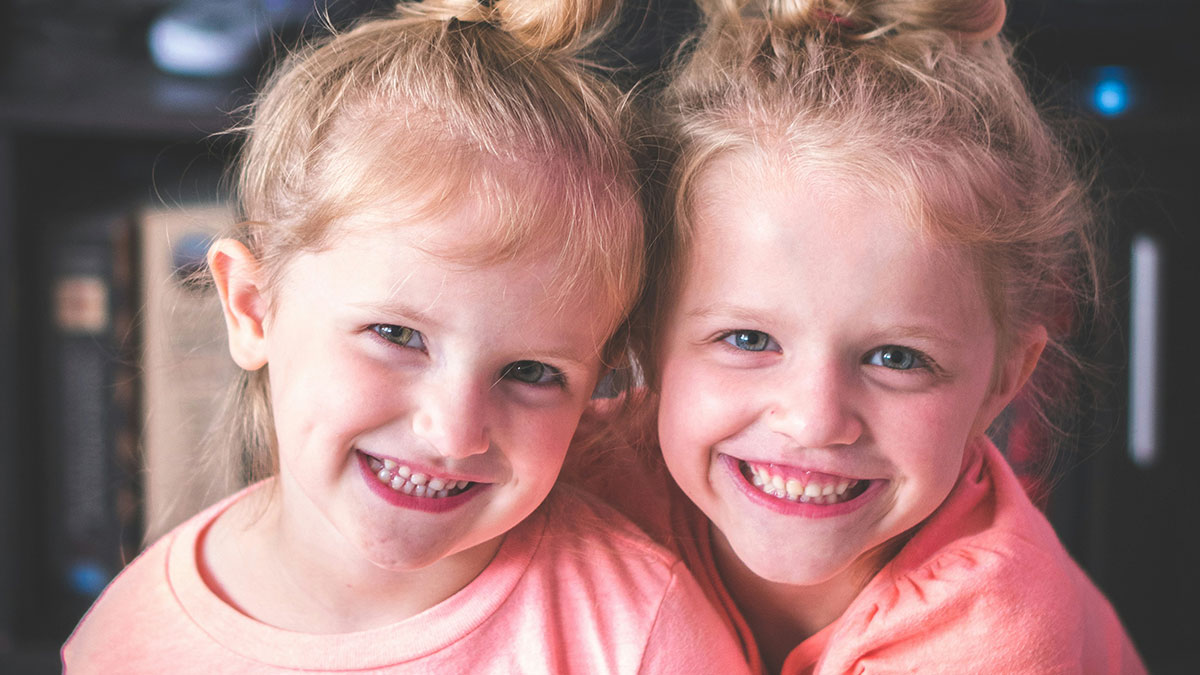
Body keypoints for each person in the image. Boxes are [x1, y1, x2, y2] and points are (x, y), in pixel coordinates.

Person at [61, 1, 751, 672]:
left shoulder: (644, 638)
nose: (455, 431)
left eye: (532, 373)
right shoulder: (125, 641)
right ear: (251, 307)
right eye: (396, 334)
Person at [584, 0, 1149, 672]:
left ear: (1004, 379)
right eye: (748, 339)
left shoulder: (995, 632)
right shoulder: (582, 482)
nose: (816, 419)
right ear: (644, 334)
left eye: (896, 357)